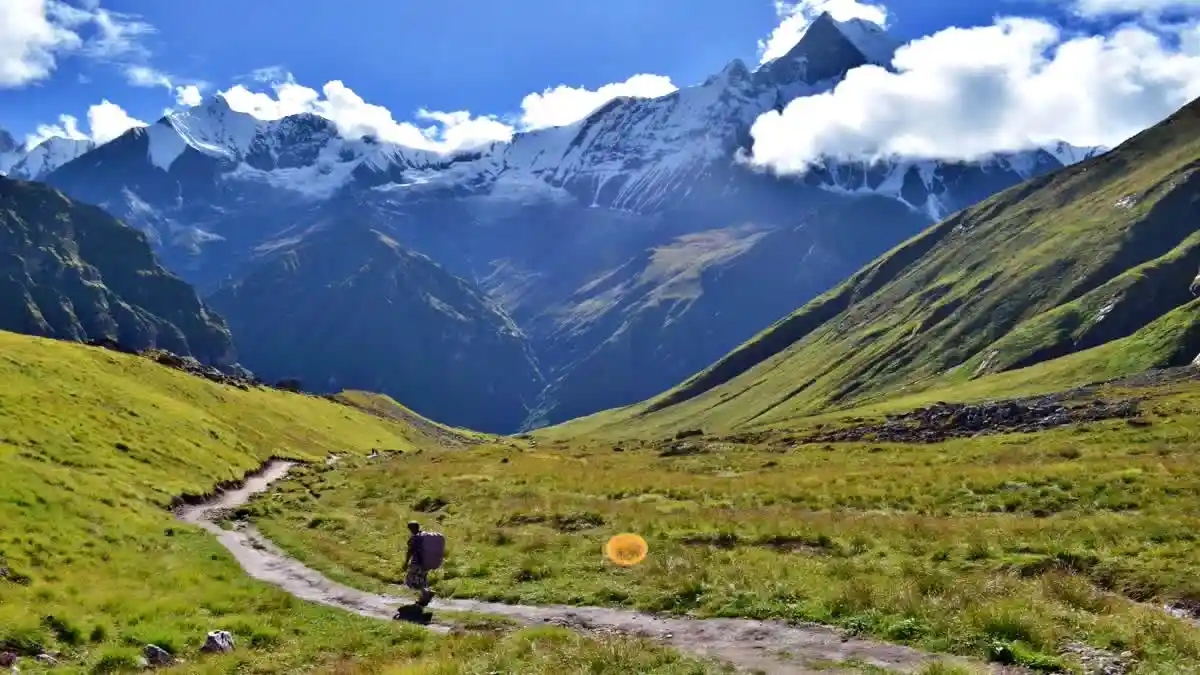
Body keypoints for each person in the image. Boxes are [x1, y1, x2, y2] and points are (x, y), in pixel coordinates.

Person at [403, 520, 435, 607]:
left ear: (412, 528)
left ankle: (427, 592)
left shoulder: (414, 538)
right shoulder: (425, 535)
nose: (409, 530)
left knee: (410, 580)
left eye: (410, 528)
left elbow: (410, 551)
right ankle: (424, 598)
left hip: (417, 562)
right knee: (422, 579)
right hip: (427, 562)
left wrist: (406, 562)